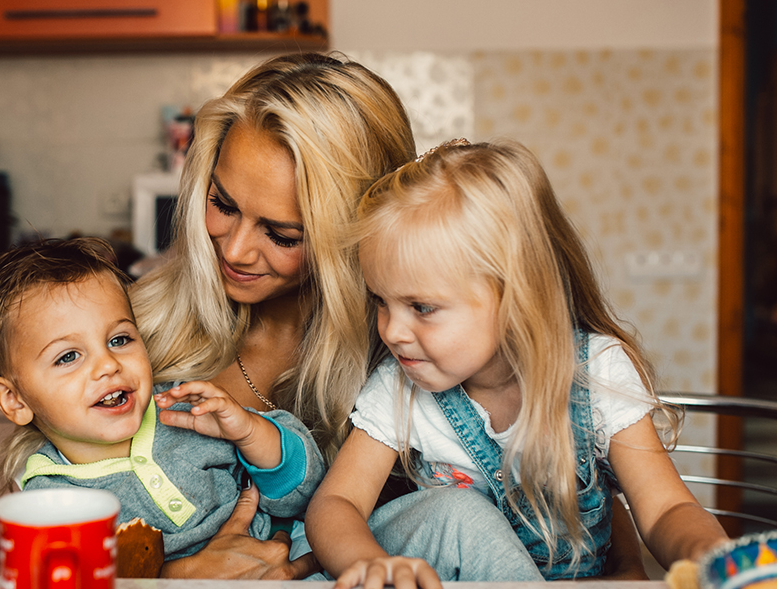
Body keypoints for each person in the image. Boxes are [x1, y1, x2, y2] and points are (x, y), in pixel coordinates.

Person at [129, 53, 650, 580]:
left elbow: (572, 474)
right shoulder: (127, 335)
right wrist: (169, 577)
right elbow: (57, 507)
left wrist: (627, 568)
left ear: (357, 234)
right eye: (222, 203)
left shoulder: (415, 353)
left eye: (283, 234)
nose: (236, 250)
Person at [307, 139, 729, 589]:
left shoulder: (597, 370)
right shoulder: (399, 387)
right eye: (381, 302)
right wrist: (369, 562)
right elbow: (336, 504)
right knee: (457, 512)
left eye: (421, 307)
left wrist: (713, 558)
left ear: (515, 295)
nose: (391, 331)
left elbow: (666, 509)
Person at [0, 237, 325, 562]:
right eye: (68, 357)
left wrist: (249, 433)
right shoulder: (45, 500)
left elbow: (304, 492)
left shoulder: (184, 409)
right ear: (14, 400)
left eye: (120, 340)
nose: (108, 365)